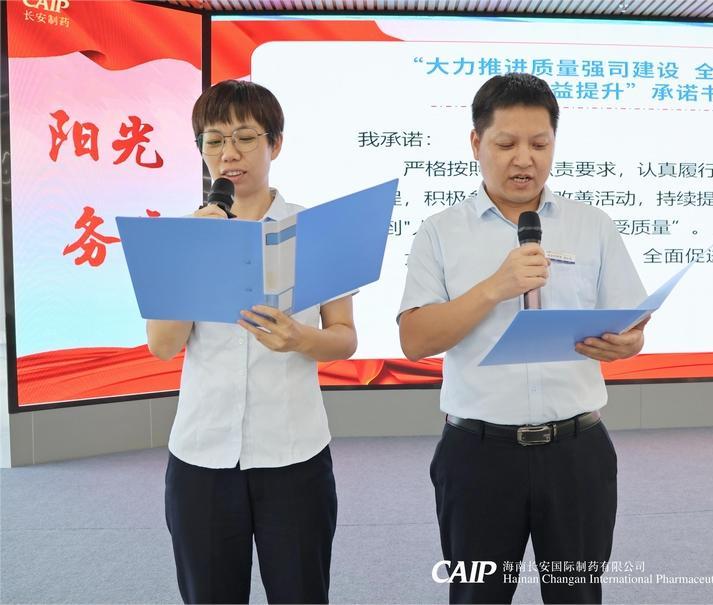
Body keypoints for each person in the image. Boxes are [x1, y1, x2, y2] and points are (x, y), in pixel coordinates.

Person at [398, 73, 648, 604]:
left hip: (577, 452)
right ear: (476, 143)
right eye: (506, 144)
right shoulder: (440, 232)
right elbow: (415, 340)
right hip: (478, 455)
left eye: (539, 144)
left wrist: (628, 344)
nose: (524, 160)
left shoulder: (592, 225)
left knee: (578, 596)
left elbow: (631, 325)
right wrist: (495, 287)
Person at [147, 80, 357, 605]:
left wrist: (300, 338)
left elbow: (345, 338)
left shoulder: (316, 230)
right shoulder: (182, 236)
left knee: (301, 592)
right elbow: (163, 345)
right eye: (214, 140)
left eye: (244, 138)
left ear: (275, 144)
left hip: (293, 453)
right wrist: (194, 255)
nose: (229, 154)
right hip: (202, 454)